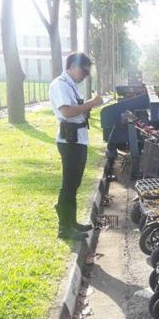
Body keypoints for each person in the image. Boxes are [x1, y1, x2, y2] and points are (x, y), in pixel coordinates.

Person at [49, 52, 104, 240]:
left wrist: (89, 105)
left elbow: (76, 110)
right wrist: (92, 103)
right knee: (69, 185)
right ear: (72, 66)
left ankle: (70, 221)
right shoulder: (60, 85)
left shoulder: (71, 86)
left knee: (74, 184)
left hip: (78, 139)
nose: (85, 75)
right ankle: (64, 229)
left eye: (88, 73)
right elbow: (67, 112)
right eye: (84, 70)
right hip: (69, 141)